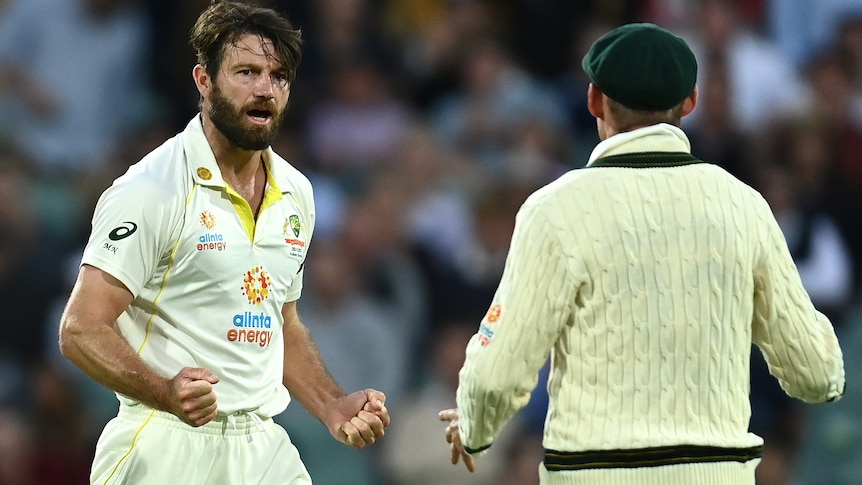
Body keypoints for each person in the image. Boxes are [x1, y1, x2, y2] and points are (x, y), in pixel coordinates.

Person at [438, 22, 846, 485]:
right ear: (691, 102)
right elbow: (817, 371)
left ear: (594, 99)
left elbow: (495, 375)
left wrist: (473, 428)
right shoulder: (744, 206)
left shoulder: (555, 211)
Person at [57, 2, 390, 484]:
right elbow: (80, 329)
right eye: (246, 72)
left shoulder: (297, 193)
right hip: (164, 441)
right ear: (203, 80)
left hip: (262, 447)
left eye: (278, 76)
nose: (264, 89)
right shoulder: (151, 190)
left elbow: (283, 321)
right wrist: (165, 391)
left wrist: (332, 403)